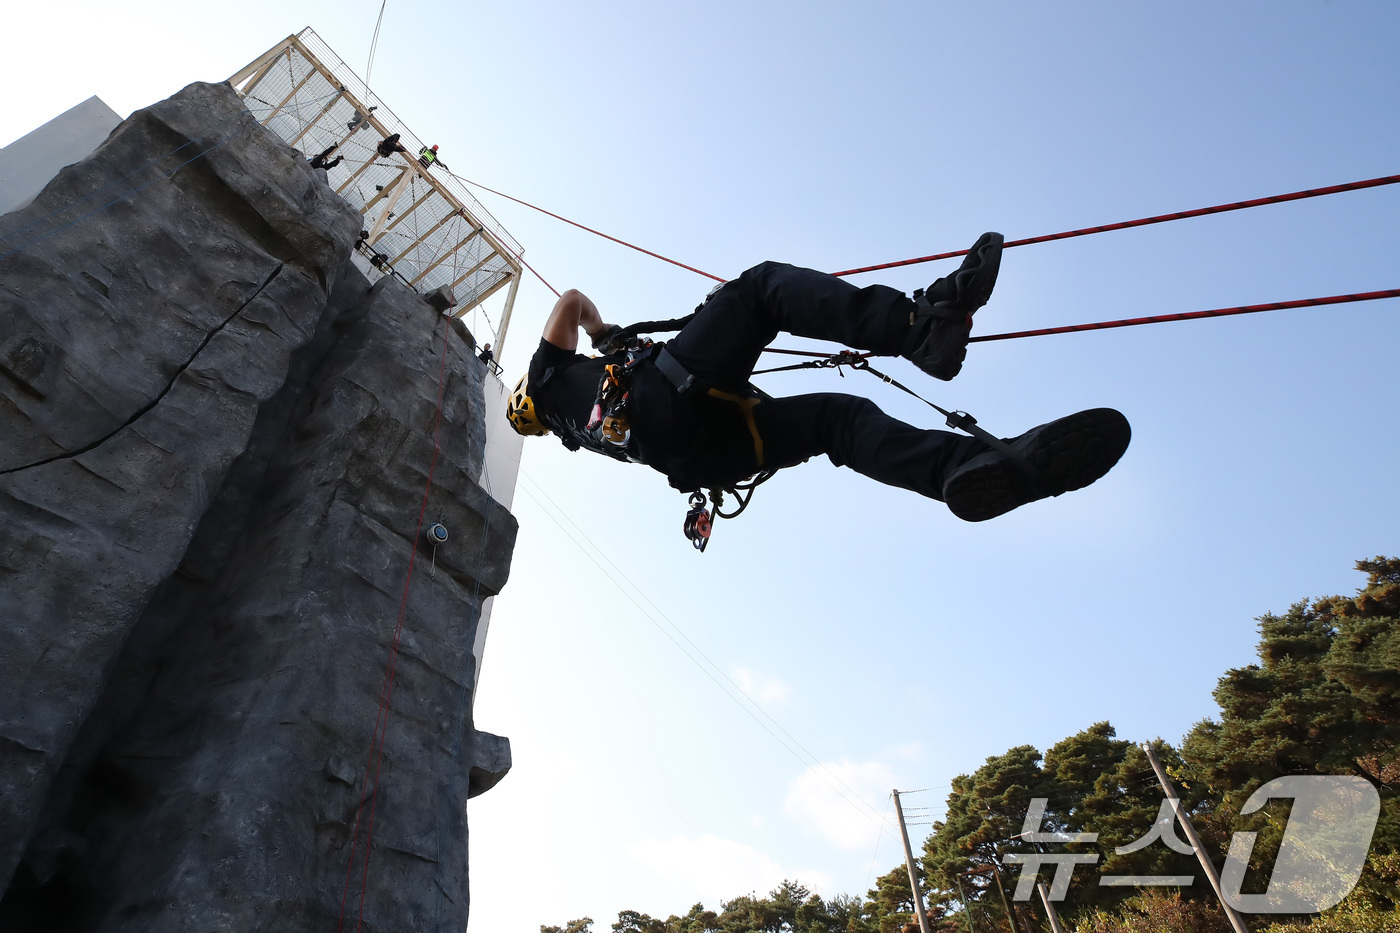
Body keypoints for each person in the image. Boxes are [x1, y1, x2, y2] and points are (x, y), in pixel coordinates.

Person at [506, 234, 1131, 523]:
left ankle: (963, 471)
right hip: (667, 395)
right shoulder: (545, 374)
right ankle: (916, 327)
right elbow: (570, 300)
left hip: (707, 458)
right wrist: (602, 332)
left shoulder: (571, 431)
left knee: (838, 421)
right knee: (760, 290)